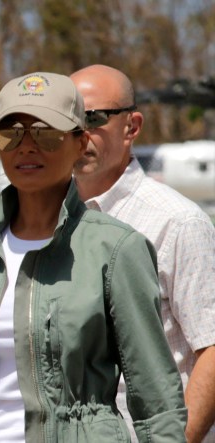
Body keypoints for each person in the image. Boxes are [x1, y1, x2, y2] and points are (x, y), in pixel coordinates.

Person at [0, 72, 187, 442]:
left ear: (80, 144)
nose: (26, 146)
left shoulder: (116, 250)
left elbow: (156, 400)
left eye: (46, 133)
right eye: (11, 132)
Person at [71, 64, 215, 443]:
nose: (78, 132)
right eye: (67, 120)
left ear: (131, 127)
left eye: (93, 118)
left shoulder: (178, 222)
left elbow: (213, 352)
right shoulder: (49, 221)